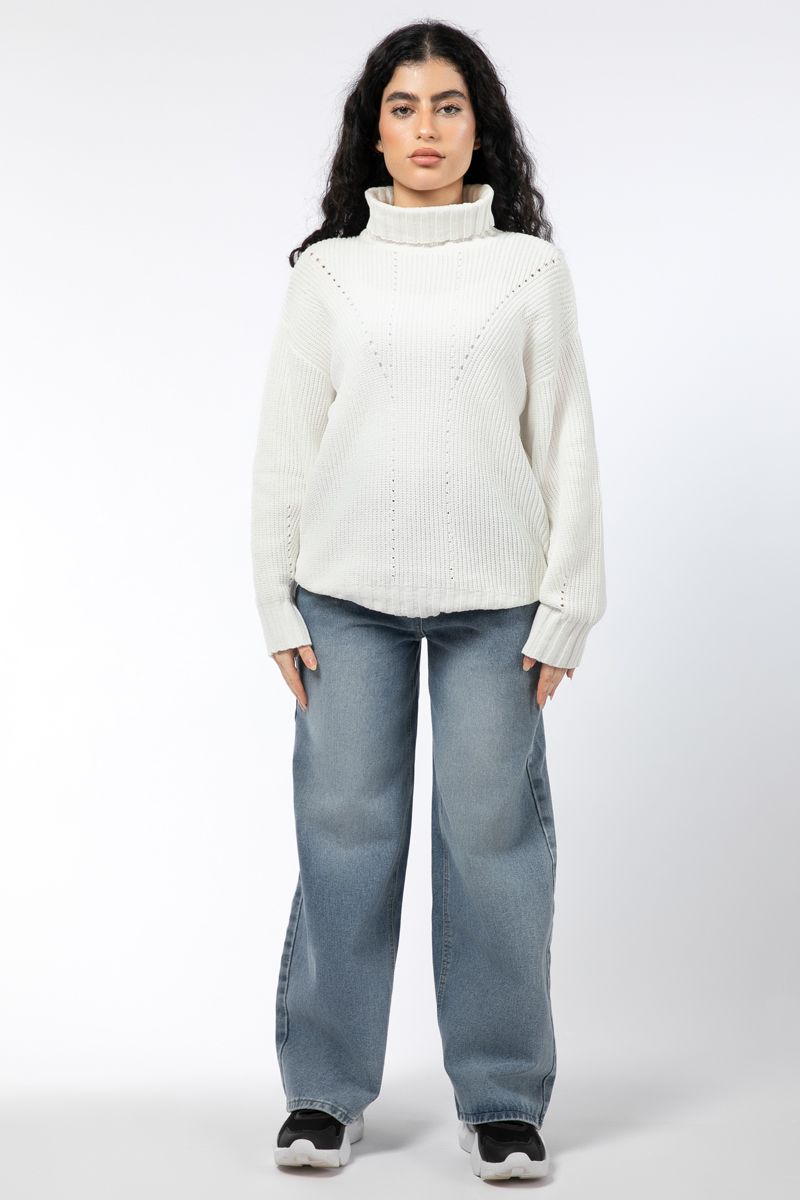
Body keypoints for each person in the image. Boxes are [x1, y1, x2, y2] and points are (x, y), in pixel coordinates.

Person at [251, 20, 607, 1183]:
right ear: (374, 128)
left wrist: (566, 604)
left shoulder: (526, 271)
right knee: (344, 838)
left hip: (495, 603)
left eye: (446, 106)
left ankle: (500, 1098)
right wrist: (275, 603)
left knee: (492, 845)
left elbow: (564, 443)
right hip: (342, 601)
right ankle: (323, 1094)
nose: (424, 129)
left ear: (477, 125)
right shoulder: (328, 273)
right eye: (401, 107)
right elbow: (286, 448)